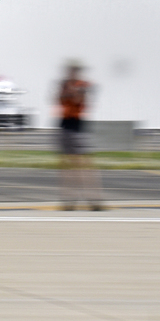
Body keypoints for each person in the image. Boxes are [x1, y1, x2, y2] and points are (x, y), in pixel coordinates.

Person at [56, 61, 106, 210]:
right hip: (65, 124)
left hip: (77, 125)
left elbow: (79, 99)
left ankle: (94, 200)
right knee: (67, 165)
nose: (72, 74)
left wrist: (75, 91)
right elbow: (60, 100)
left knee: (83, 164)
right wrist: (70, 91)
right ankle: (69, 201)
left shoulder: (83, 85)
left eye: (74, 71)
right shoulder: (64, 85)